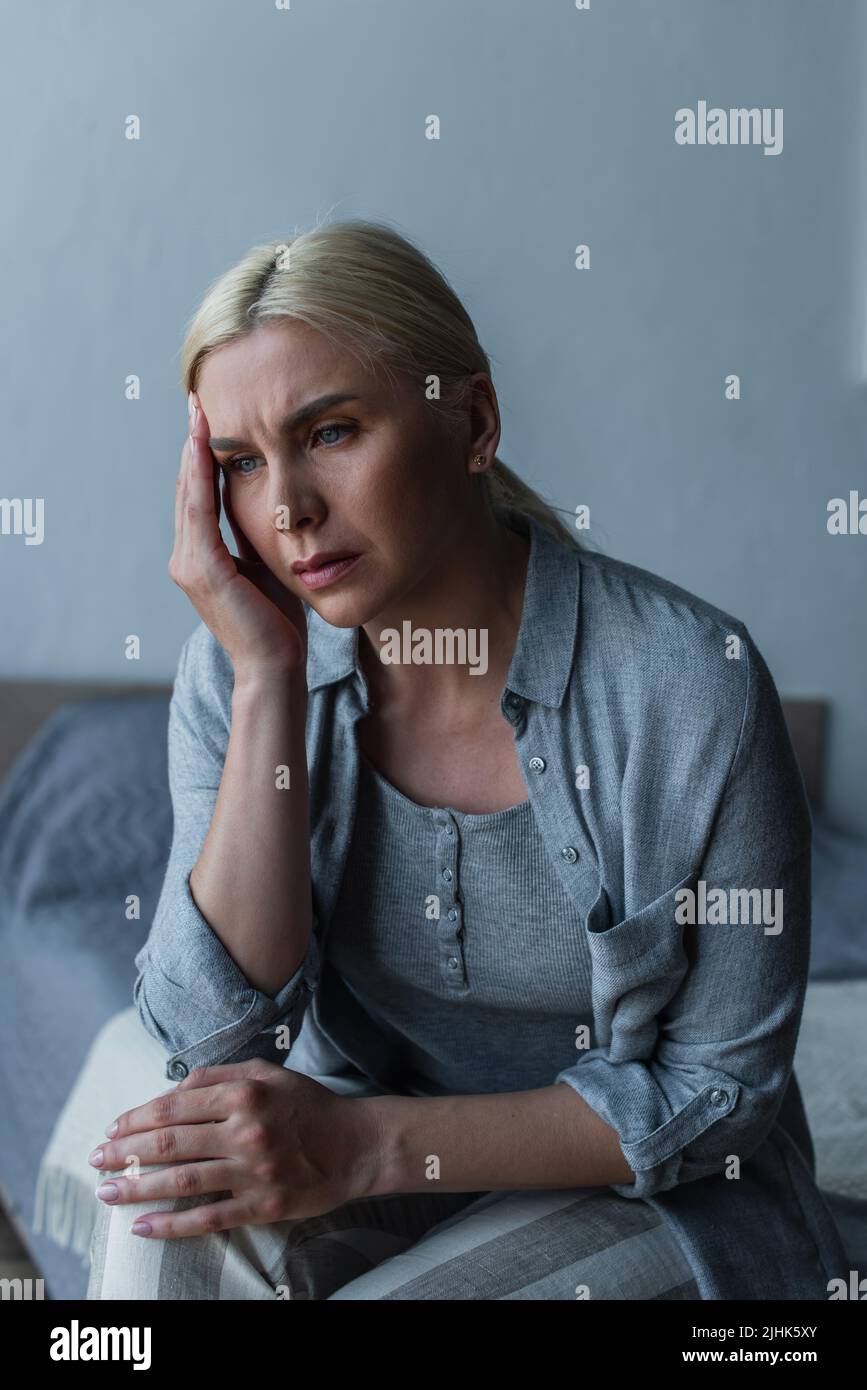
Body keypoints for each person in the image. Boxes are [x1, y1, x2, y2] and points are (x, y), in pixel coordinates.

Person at [86, 219, 848, 1301]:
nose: (288, 507)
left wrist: (362, 1147)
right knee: (160, 1225)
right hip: (373, 1154)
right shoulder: (235, 674)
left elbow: (719, 1093)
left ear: (474, 422)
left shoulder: (691, 685)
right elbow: (215, 1034)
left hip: (655, 1193)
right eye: (241, 464)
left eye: (332, 431)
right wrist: (264, 681)